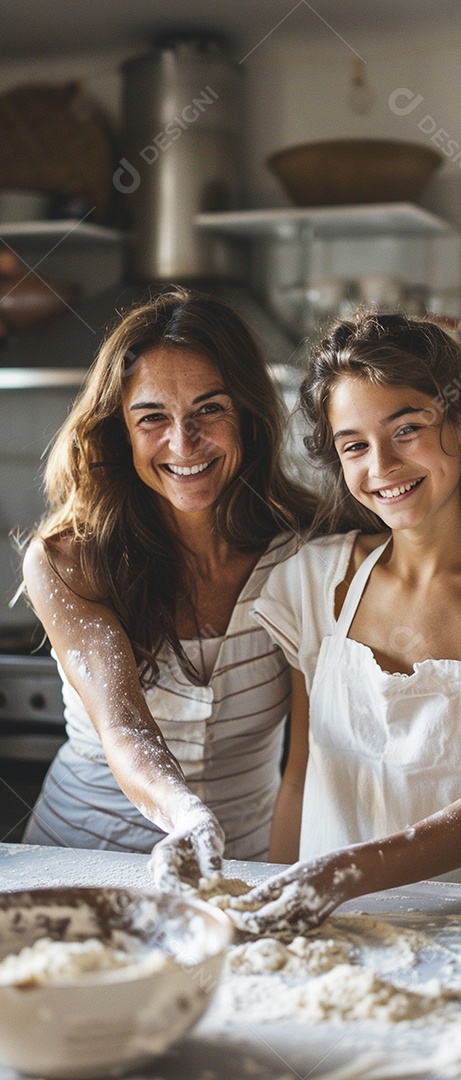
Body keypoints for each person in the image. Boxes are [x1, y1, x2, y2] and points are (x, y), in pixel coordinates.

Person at [227, 311, 461, 938]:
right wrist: (272, 907)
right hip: (339, 936)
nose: (382, 465)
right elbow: (298, 777)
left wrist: (327, 878)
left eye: (407, 429)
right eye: (354, 445)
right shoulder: (313, 582)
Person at [19, 287, 316, 892]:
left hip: (242, 867)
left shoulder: (308, 552)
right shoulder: (69, 560)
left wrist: (281, 881)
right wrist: (188, 816)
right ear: (119, 431)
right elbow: (124, 727)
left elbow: (304, 766)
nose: (184, 444)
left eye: (210, 410)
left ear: (248, 414)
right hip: (77, 863)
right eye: (152, 417)